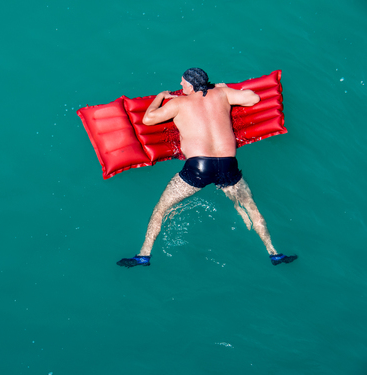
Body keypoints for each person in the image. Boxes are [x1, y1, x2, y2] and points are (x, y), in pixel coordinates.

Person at [117, 68, 297, 268]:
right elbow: (252, 98)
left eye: (183, 82)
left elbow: (148, 119)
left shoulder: (178, 103)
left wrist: (160, 97)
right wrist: (226, 88)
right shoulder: (222, 94)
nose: (180, 85)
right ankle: (274, 252)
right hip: (228, 164)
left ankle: (144, 254)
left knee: (161, 210)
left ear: (192, 85)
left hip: (198, 167)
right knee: (248, 207)